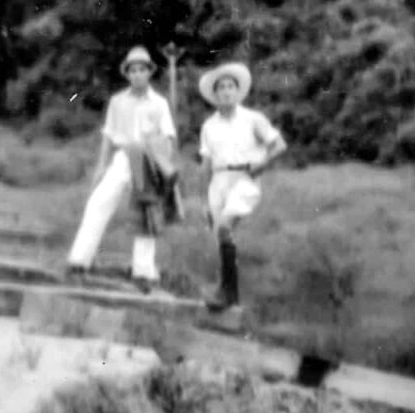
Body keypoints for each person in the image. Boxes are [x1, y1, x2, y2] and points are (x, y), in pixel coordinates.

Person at [66, 46, 179, 291]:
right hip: (124, 157)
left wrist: (163, 167)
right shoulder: (118, 101)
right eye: (133, 70)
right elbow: (108, 135)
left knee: (145, 213)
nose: (138, 74)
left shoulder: (159, 103)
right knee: (98, 202)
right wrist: (100, 165)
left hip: (148, 159)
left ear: (149, 73)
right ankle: (79, 260)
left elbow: (168, 136)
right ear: (127, 74)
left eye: (142, 70)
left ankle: (143, 271)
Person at [194, 59, 286, 313]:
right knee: (220, 234)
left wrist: (263, 163)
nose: (226, 92)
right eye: (221, 88)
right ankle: (226, 292)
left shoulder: (252, 119)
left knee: (225, 226)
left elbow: (279, 146)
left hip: (245, 178)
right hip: (219, 180)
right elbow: (205, 165)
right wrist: (203, 201)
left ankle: (227, 293)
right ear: (214, 94)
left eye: (230, 87)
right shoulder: (209, 126)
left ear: (237, 91)